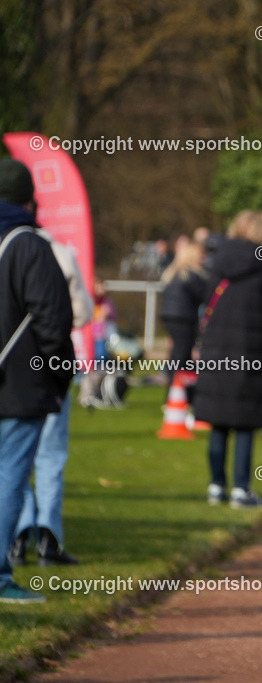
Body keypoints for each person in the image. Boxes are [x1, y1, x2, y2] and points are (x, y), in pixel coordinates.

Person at [0, 158, 75, 603]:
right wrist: (57, 377)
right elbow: (53, 321)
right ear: (31, 199)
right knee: (9, 476)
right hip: (18, 385)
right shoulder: (30, 245)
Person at [9, 223, 93, 568]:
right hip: (51, 360)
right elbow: (83, 312)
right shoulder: (59, 252)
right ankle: (48, 536)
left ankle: (19, 533)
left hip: (14, 368)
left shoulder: (7, 251)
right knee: (50, 453)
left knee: (14, 457)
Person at [193, 210, 262, 509]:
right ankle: (241, 488)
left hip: (217, 348)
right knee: (245, 421)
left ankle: (216, 486)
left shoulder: (217, 261)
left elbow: (206, 299)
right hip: (249, 348)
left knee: (218, 421)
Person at [159, 239, 208, 391]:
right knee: (182, 355)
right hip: (183, 319)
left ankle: (184, 390)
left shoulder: (174, 273)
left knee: (179, 354)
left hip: (170, 316)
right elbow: (205, 295)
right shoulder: (192, 275)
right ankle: (175, 391)